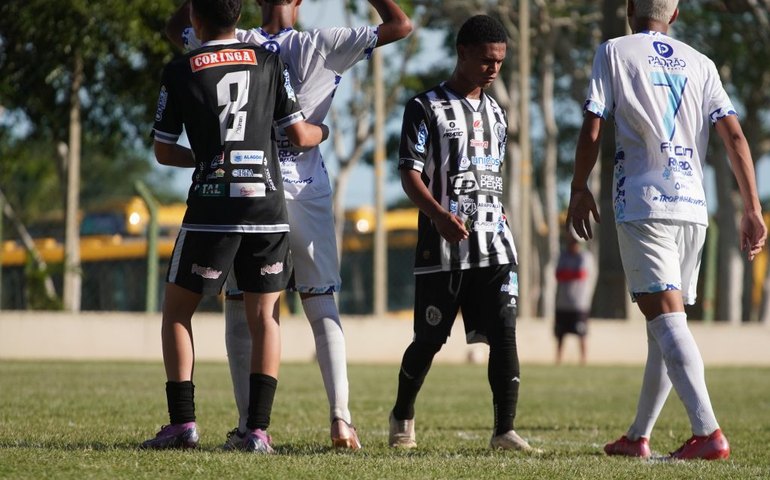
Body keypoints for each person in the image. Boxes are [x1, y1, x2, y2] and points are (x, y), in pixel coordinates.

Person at [165, 0, 412, 450]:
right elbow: (400, 25)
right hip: (306, 187)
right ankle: (341, 420)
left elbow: (178, 29)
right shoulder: (326, 41)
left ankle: (248, 425)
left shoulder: (235, 41)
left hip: (251, 189)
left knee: (245, 307)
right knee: (321, 303)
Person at [568, 0, 766, 461]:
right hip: (694, 208)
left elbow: (593, 125)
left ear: (631, 8)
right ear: (674, 15)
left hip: (644, 203)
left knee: (666, 321)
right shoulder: (702, 63)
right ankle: (638, 436)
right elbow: (735, 136)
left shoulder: (614, 51)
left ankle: (708, 432)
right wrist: (752, 207)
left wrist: (579, 187)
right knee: (662, 325)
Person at [141, 0, 328, 453]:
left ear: (195, 20)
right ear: (239, 19)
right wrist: (323, 133)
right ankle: (256, 431)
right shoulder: (268, 61)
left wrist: (205, 161)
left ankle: (183, 424)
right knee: (265, 318)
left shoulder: (181, 69)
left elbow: (164, 151)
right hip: (266, 206)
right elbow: (300, 134)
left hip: (212, 209)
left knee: (178, 313)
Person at [388, 15, 536, 452]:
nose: (494, 69)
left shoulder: (497, 112)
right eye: (487, 60)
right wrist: (437, 215)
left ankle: (504, 430)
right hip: (443, 249)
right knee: (430, 340)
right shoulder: (425, 107)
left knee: (505, 332)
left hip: (495, 245)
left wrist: (501, 213)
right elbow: (409, 174)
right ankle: (402, 414)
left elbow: (490, 174)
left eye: (501, 62)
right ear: (463, 53)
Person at [554, 229, 595, 365]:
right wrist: (569, 274)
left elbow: (581, 274)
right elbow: (559, 275)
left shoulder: (585, 257)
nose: (573, 245)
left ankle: (583, 360)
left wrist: (567, 274)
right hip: (563, 302)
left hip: (579, 303)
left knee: (581, 333)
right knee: (560, 334)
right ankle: (558, 359)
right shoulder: (563, 256)